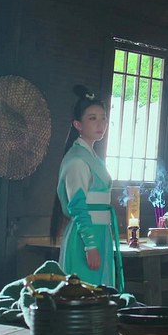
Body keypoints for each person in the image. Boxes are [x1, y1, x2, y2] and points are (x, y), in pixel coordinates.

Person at [49, 85, 124, 292]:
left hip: (101, 233)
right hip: (86, 237)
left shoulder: (92, 157)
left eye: (103, 118)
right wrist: (90, 245)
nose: (100, 124)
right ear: (78, 124)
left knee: (101, 293)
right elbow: (77, 205)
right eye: (92, 118)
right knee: (84, 294)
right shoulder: (77, 160)